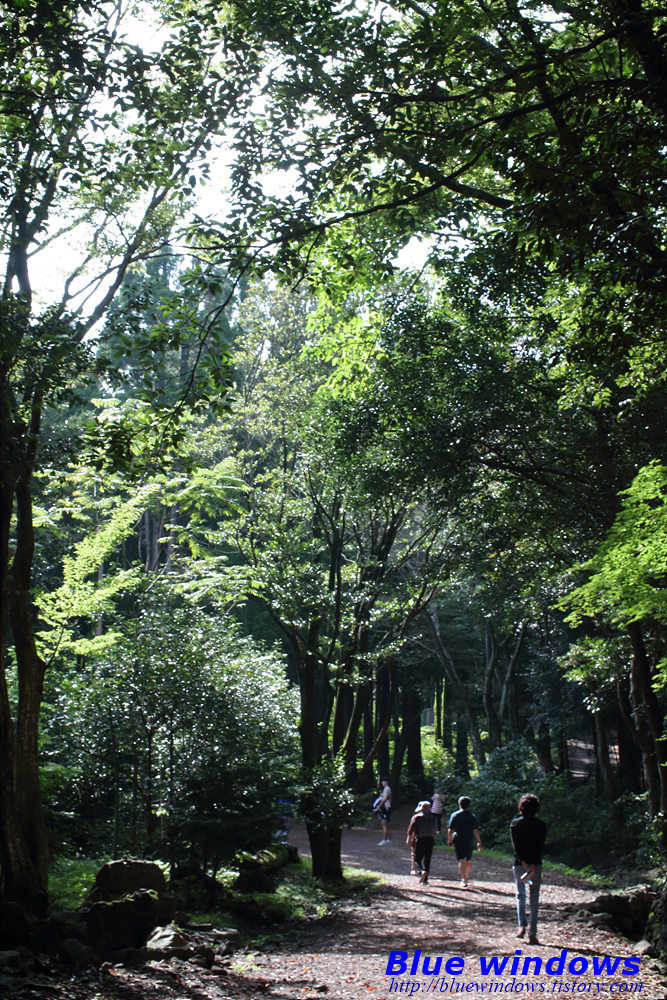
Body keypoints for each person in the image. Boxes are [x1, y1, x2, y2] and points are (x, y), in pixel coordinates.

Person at [510, 793, 547, 945]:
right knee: (534, 899)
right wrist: (532, 864)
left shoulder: (515, 824)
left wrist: (524, 863)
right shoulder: (541, 825)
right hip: (535, 864)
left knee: (520, 894)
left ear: (521, 808)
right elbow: (540, 846)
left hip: (519, 864)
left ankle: (521, 925)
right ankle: (533, 933)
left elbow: (516, 846)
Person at [447, 795, 482, 886]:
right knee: (468, 860)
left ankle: (464, 879)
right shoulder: (472, 816)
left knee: (461, 859)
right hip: (469, 840)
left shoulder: (455, 815)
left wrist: (449, 839)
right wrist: (479, 842)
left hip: (458, 840)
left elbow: (450, 829)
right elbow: (476, 830)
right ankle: (466, 877)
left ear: (459, 804)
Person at [407, 800, 438, 884]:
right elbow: (434, 830)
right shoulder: (433, 818)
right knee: (427, 859)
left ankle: (421, 871)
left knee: (417, 859)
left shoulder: (417, 817)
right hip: (430, 839)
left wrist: (409, 839)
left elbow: (411, 829)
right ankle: (425, 879)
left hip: (420, 839)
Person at [376, 777, 392, 844]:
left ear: (386, 782)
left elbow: (385, 798)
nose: (382, 783)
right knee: (387, 825)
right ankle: (388, 839)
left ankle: (384, 840)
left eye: (383, 781)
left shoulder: (386, 789)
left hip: (385, 808)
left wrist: (379, 806)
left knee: (384, 825)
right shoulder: (387, 789)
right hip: (387, 808)